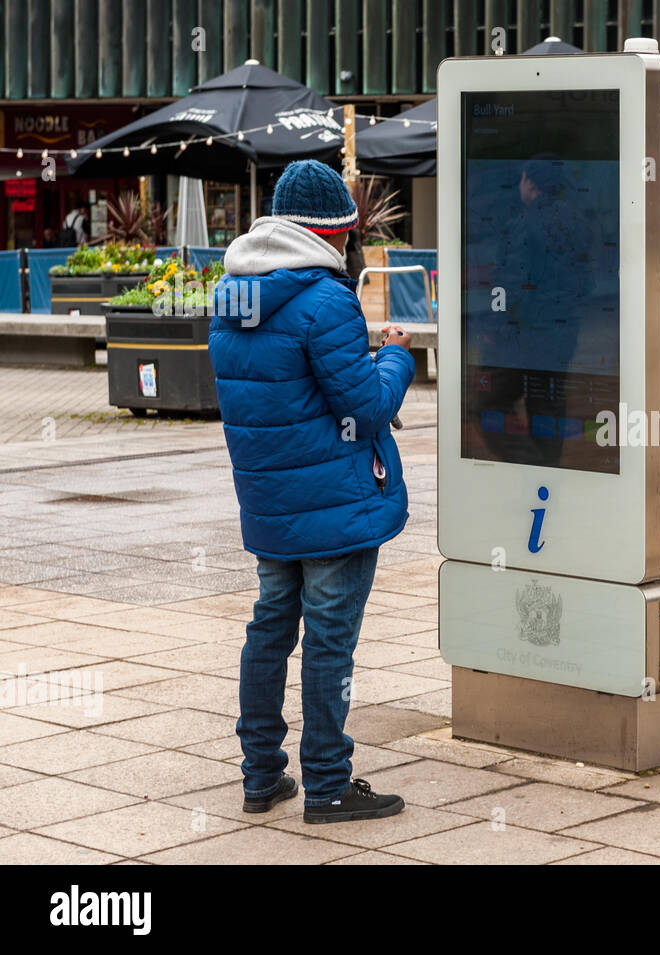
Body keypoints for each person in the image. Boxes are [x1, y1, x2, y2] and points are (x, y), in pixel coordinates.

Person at [208, 159, 415, 825]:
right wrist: (396, 356)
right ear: (331, 233)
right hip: (334, 507)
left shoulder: (232, 294)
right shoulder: (326, 301)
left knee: (270, 627)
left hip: (270, 503)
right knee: (330, 641)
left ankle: (262, 774)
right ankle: (327, 781)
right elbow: (366, 407)